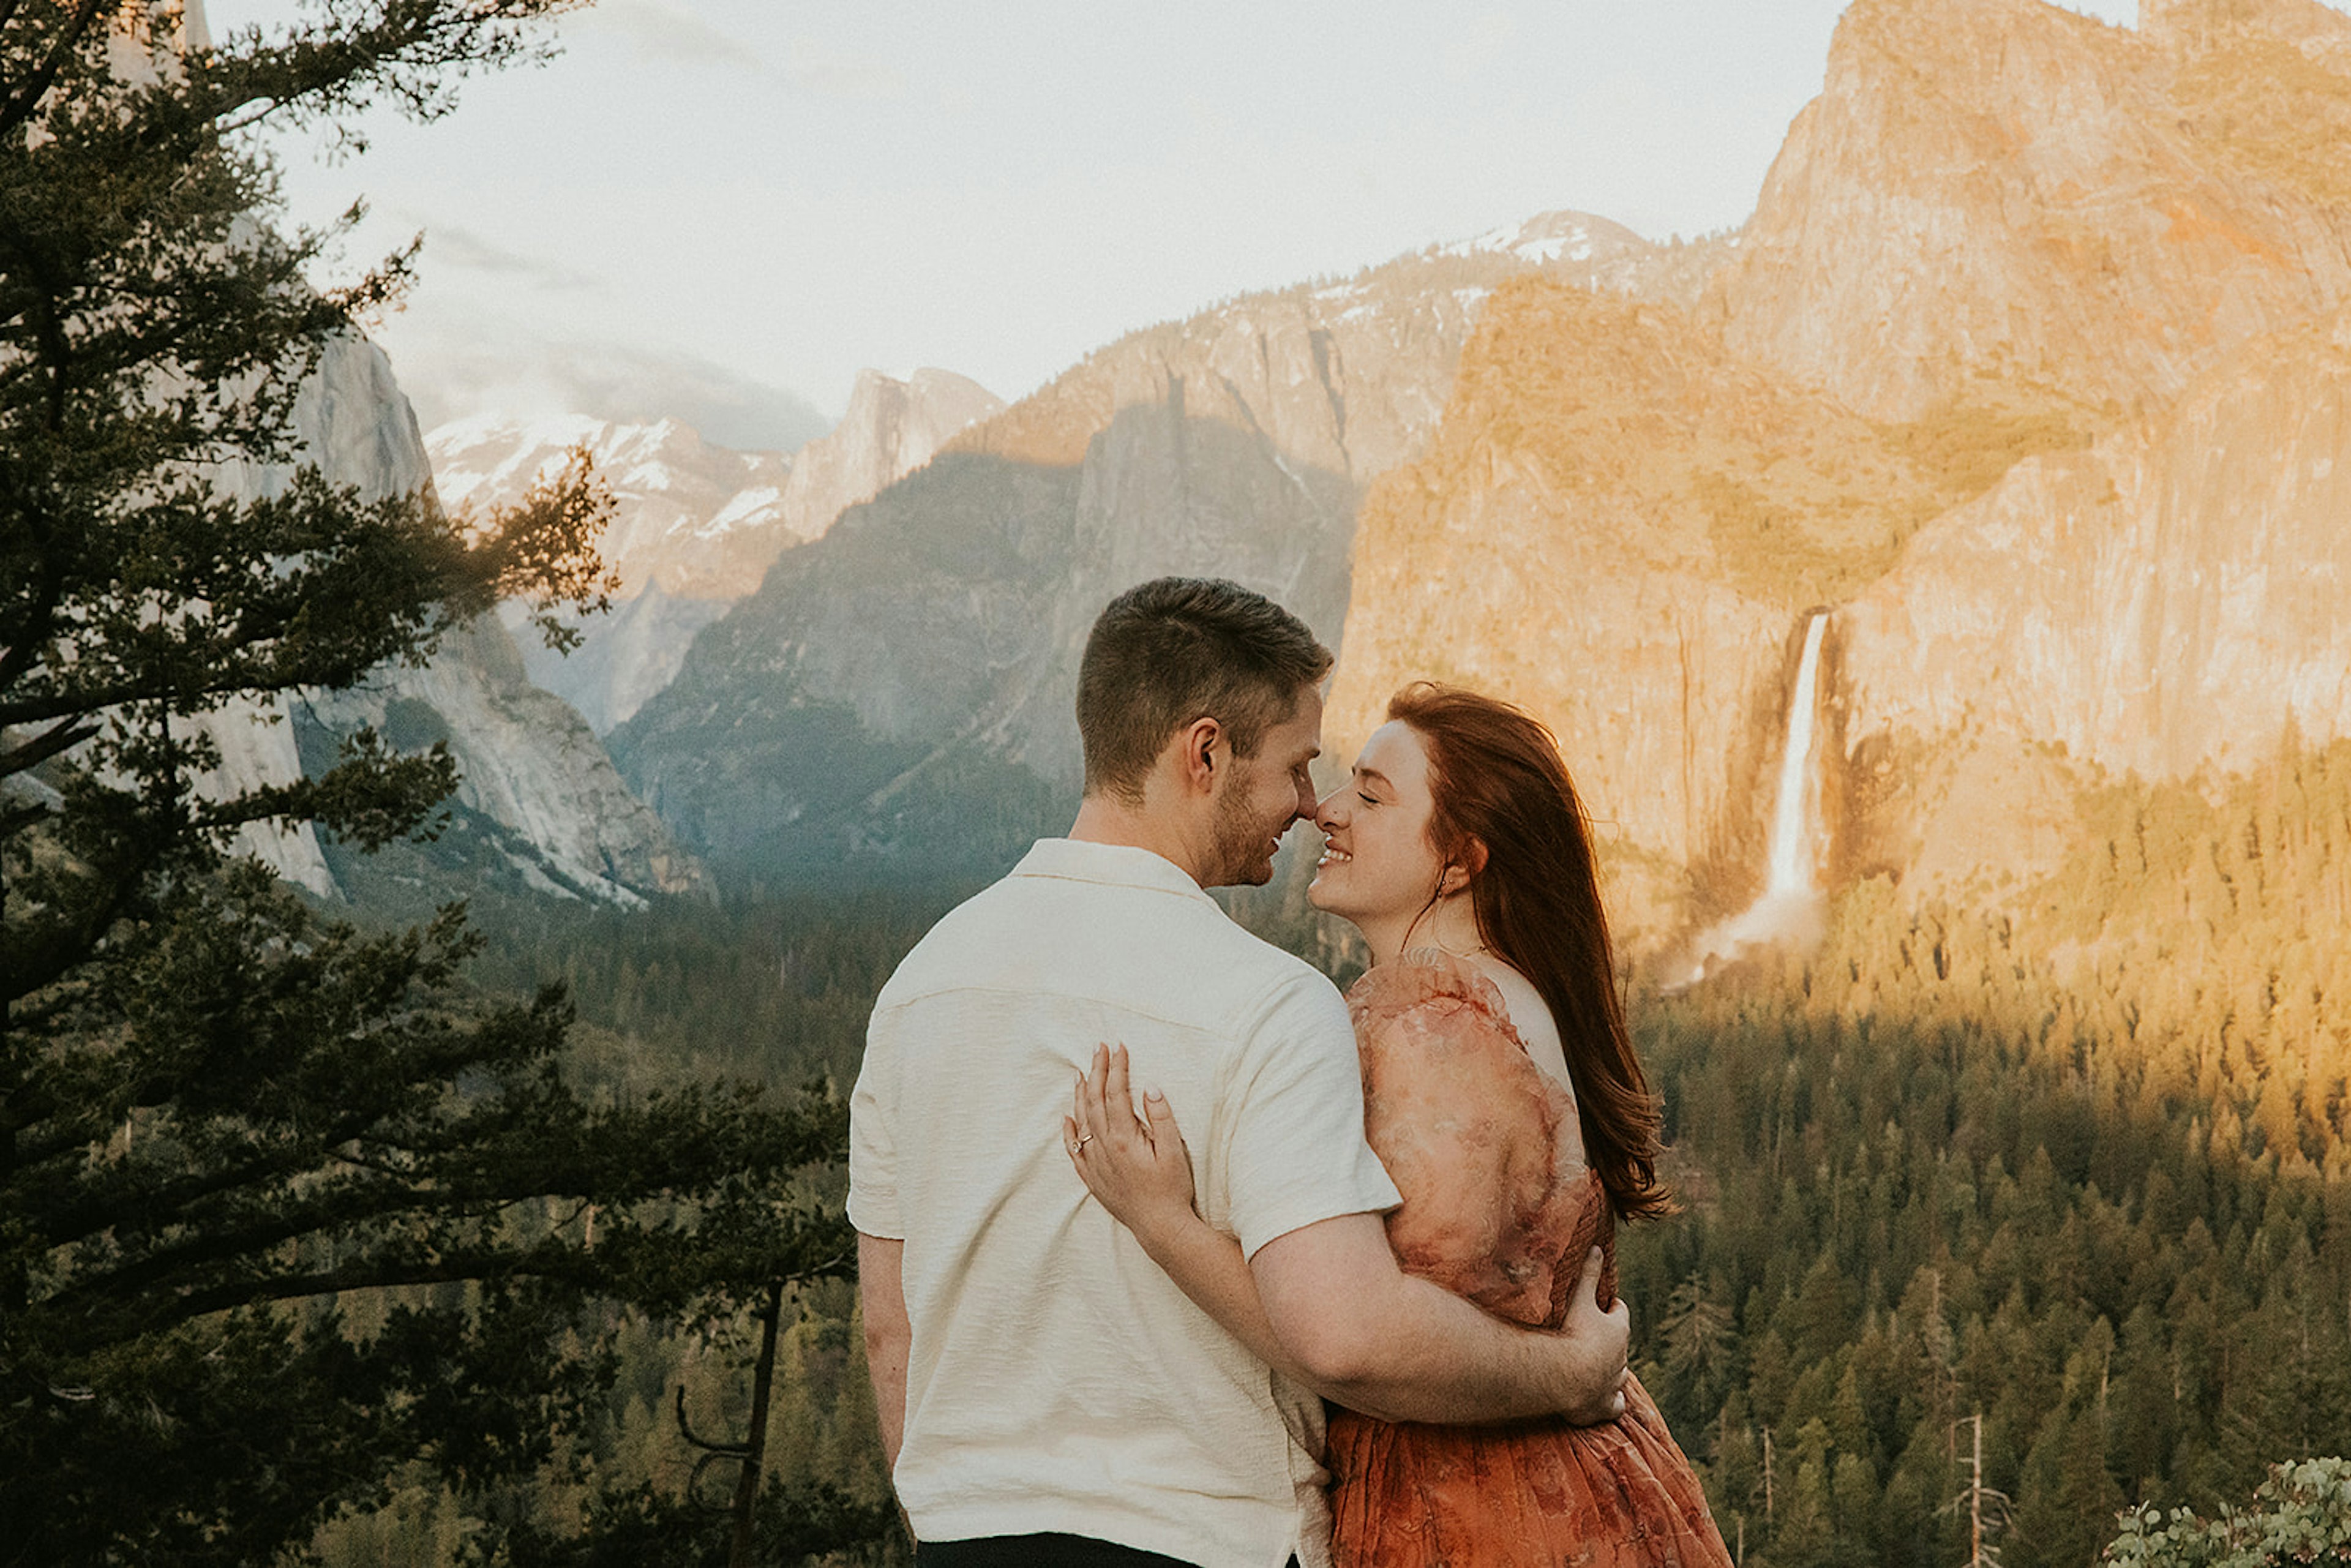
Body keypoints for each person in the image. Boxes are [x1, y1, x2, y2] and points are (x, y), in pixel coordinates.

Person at [851, 579, 1632, 1568]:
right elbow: (1347, 1334)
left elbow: (891, 1328)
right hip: (1209, 1539)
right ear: (1207, 752)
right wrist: (1567, 1374)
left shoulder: (919, 990)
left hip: (966, 1538)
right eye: (1300, 766)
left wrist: (948, 1515)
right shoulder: (1269, 1002)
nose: (1311, 806)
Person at [1067, 682, 1734, 1567]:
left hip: (1475, 1513)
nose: (1326, 811)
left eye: (1372, 796)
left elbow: (1354, 1342)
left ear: (1458, 859)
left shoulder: (1436, 1028)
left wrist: (1165, 1222)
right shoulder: (1483, 996)